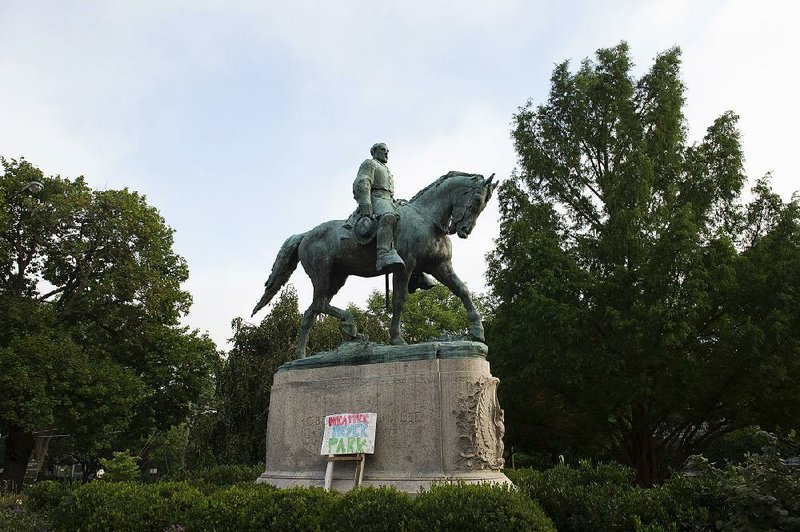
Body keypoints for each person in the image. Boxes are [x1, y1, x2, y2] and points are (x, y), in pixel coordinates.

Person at [353, 143, 405, 273]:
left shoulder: (386, 169)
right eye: (383, 150)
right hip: (376, 199)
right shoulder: (370, 164)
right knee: (388, 216)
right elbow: (362, 182)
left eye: (387, 151)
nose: (386, 153)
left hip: (388, 200)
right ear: (374, 152)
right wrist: (366, 205)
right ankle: (383, 255)